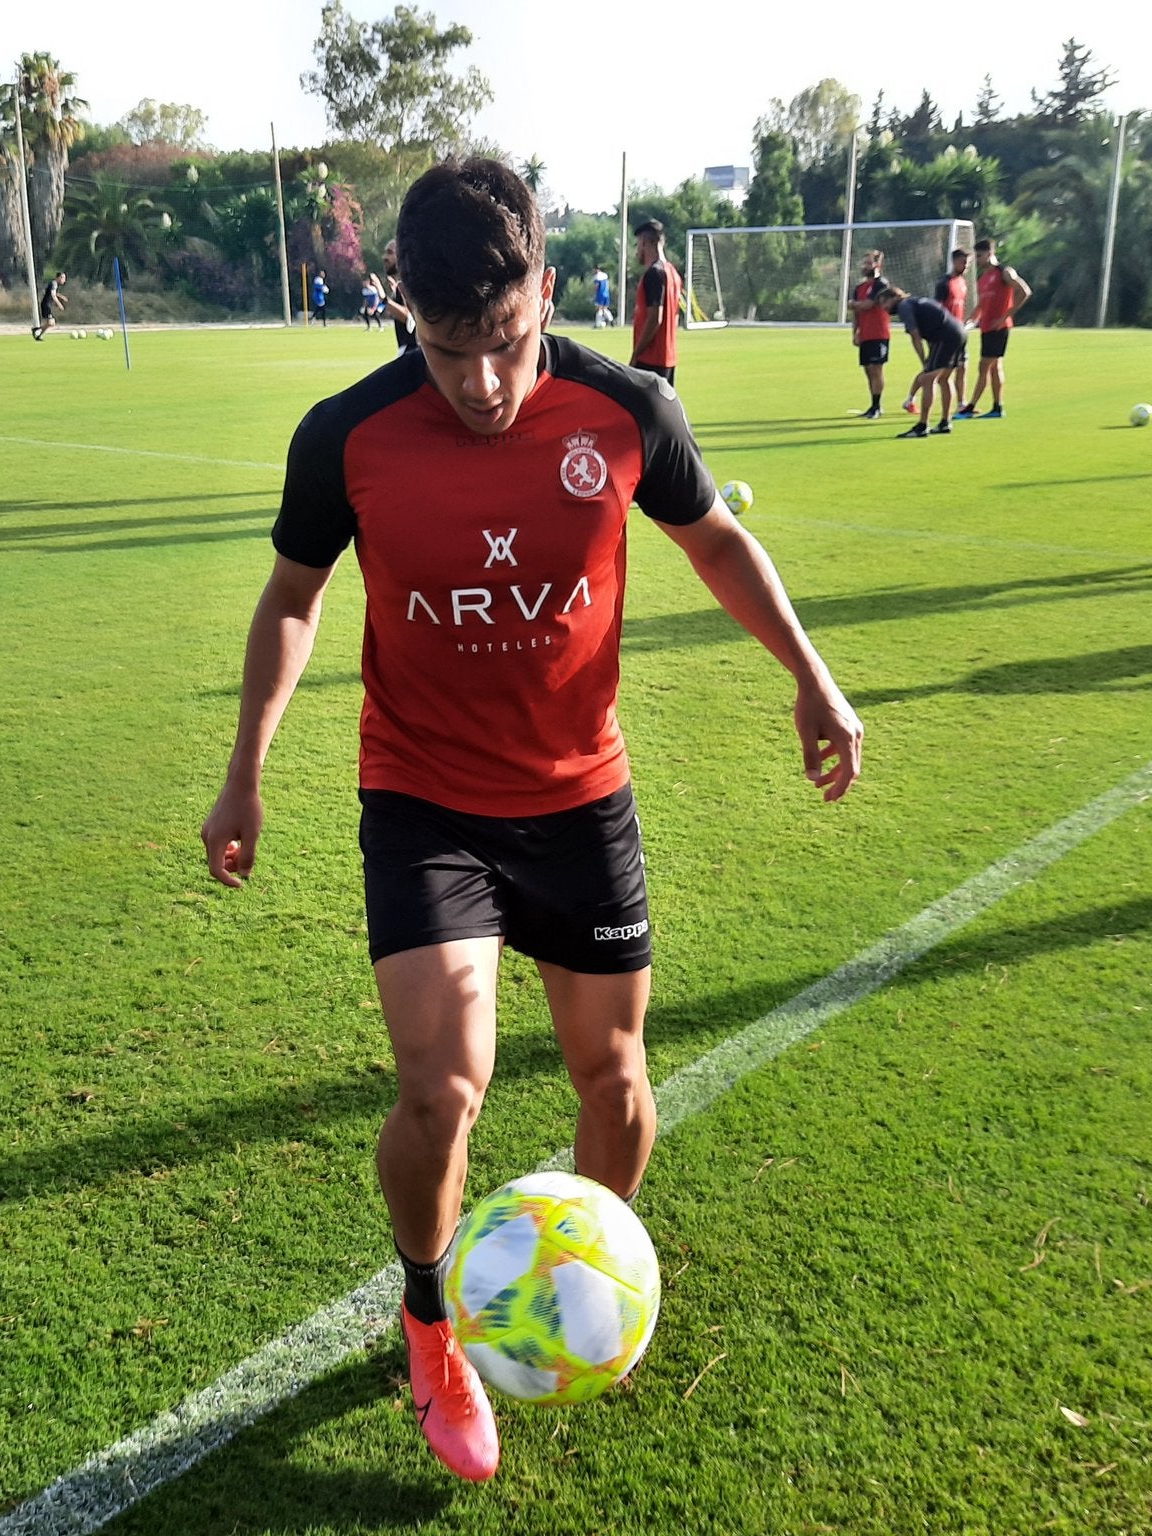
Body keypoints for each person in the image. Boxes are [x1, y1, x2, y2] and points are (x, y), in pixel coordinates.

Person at [199, 157, 862, 1485]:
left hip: (578, 798)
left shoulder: (626, 409)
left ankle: (579, 1277)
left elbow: (716, 540)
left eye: (503, 344)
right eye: (449, 352)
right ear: (405, 312)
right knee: (443, 1086)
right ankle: (433, 1321)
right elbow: (291, 599)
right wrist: (245, 769)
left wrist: (811, 673)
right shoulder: (349, 434)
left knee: (614, 1080)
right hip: (424, 800)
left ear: (545, 293)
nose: (483, 383)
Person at [876, 286, 965, 438]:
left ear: (893, 298)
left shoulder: (904, 306)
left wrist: (924, 361)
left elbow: (915, 335)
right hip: (958, 332)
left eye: (884, 303)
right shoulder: (914, 302)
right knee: (944, 379)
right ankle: (945, 422)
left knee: (927, 379)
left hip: (946, 337)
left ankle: (922, 425)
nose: (884, 309)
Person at [956, 239, 1030, 418]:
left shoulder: (1004, 272)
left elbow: (1024, 291)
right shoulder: (983, 279)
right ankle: (997, 407)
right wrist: (968, 321)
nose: (978, 261)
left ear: (990, 254)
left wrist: (1005, 317)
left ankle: (970, 406)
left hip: (999, 328)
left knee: (984, 367)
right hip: (987, 328)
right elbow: (982, 305)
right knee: (995, 367)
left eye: (980, 256)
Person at [904, 248, 970, 415]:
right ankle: (910, 398)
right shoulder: (944, 283)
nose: (966, 265)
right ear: (954, 261)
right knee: (933, 371)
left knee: (961, 367)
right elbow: (937, 307)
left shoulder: (962, 282)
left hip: (958, 333)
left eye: (968, 262)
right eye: (963, 262)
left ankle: (962, 403)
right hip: (943, 334)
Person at [628, 218, 681, 384]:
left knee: (641, 409)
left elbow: (655, 318)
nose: (637, 251)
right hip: (668, 357)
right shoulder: (672, 272)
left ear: (644, 242)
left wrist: (636, 354)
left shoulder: (654, 273)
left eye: (638, 245)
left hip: (651, 359)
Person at [848, 250, 890, 417]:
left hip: (879, 333)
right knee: (867, 370)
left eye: (869, 263)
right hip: (865, 333)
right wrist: (855, 332)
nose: (865, 266)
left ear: (878, 265)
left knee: (876, 369)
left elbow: (869, 304)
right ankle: (872, 404)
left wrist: (854, 304)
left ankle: (877, 406)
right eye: (864, 263)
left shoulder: (881, 285)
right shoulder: (859, 288)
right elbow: (857, 312)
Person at [382, 238, 415, 354]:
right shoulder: (401, 285)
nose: (385, 257)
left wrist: (384, 299)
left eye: (390, 253)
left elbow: (410, 318)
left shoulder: (410, 284)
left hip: (411, 351)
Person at [33, 272, 67, 340]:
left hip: (47, 304)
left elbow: (53, 293)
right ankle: (36, 330)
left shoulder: (54, 284)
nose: (64, 280)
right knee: (51, 323)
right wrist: (59, 304)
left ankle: (38, 334)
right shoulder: (54, 284)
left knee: (51, 323)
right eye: (63, 278)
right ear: (58, 277)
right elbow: (53, 295)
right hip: (46, 305)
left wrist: (61, 296)